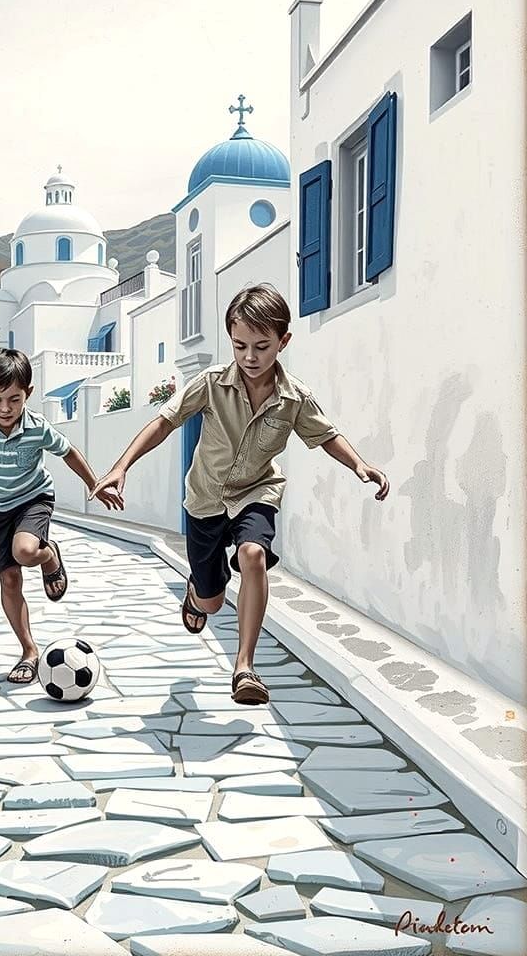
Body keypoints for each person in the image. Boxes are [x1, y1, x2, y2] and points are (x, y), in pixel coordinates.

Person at [90, 284, 388, 705]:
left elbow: (325, 436)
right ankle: (198, 590)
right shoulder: (211, 384)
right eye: (240, 346)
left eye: (262, 347)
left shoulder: (295, 398)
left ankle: (245, 667)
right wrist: (121, 467)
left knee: (253, 555)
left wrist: (359, 464)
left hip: (257, 491)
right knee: (211, 605)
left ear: (283, 341)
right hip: (206, 500)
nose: (250, 357)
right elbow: (164, 422)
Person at [0, 348, 123, 685]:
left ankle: (49, 555)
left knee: (25, 551)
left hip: (33, 499)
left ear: (27, 394)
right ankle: (29, 651)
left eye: (14, 399)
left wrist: (95, 483)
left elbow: (69, 452)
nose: (5, 408)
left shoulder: (37, 427)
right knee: (10, 580)